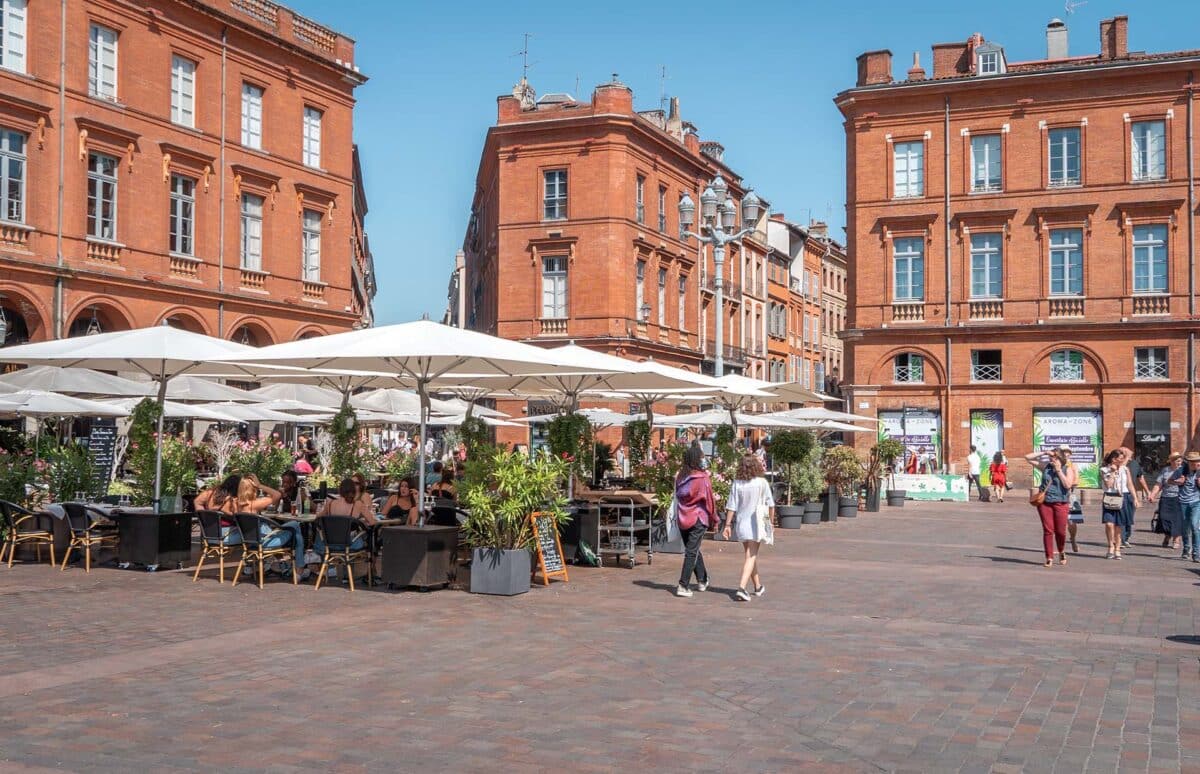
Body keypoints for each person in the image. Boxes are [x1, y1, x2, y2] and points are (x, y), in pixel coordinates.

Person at [721, 454, 774, 602]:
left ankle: (758, 586)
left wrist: (727, 524)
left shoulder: (737, 483)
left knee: (749, 556)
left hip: (741, 523)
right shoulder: (762, 482)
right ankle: (741, 588)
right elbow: (771, 504)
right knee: (751, 556)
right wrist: (770, 522)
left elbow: (731, 506)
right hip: (756, 524)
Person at [236, 474, 308, 580]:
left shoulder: (237, 504)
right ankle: (299, 570)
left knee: (294, 532)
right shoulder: (254, 504)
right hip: (264, 542)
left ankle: (295, 569)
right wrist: (260, 485)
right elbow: (277, 495)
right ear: (253, 489)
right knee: (295, 525)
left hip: (249, 542)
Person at [315, 477, 379, 583]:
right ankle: (353, 576)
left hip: (330, 544)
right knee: (358, 536)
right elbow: (372, 523)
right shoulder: (358, 505)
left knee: (345, 535)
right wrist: (360, 522)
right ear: (354, 490)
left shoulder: (330, 503)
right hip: (349, 544)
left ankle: (331, 569)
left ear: (340, 490)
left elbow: (318, 518)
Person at [674, 444, 716, 598]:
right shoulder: (702, 478)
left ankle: (702, 579)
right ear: (697, 459)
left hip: (682, 517)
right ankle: (683, 585)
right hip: (698, 517)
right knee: (691, 552)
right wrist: (715, 519)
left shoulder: (680, 477)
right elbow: (710, 501)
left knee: (693, 548)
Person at [1025, 446, 1077, 567]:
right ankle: (1049, 557)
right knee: (1048, 530)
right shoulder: (1045, 467)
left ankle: (1061, 551)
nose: (1052, 459)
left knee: (1060, 531)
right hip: (1045, 503)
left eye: (1054, 457)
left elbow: (1068, 485)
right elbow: (1027, 457)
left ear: (1060, 458)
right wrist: (1044, 452)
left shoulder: (1067, 469)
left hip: (1061, 502)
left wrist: (1058, 471)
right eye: (1051, 457)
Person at [1149, 451, 1184, 550]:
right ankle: (1167, 535)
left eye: (1180, 461)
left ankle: (1176, 539)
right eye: (1177, 461)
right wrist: (1153, 495)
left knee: (1177, 520)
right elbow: (1159, 484)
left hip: (1179, 498)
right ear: (1172, 461)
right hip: (1165, 498)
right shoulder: (1165, 470)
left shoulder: (1183, 471)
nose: (1179, 463)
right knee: (1164, 519)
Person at [1101, 449, 1131, 559]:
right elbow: (1108, 485)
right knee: (1109, 523)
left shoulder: (1124, 469)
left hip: (1122, 497)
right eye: (1121, 459)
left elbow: (1129, 484)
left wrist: (1135, 498)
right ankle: (1110, 546)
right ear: (1114, 459)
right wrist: (1113, 472)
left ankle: (1117, 548)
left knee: (1119, 525)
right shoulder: (1104, 469)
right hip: (1109, 497)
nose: (1123, 461)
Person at [1172, 451, 1200, 562]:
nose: (1196, 464)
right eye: (1193, 462)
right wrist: (1177, 482)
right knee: (1185, 528)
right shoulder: (1181, 471)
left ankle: (1196, 553)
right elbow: (1169, 481)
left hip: (1196, 502)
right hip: (1183, 502)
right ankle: (1186, 549)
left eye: (1197, 461)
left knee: (1194, 526)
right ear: (1188, 462)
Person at [1117, 447, 1138, 547]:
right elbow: (1120, 468)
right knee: (1121, 518)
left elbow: (1133, 482)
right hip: (1120, 495)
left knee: (1129, 517)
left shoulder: (1134, 464)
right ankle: (1121, 539)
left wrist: (1136, 498)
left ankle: (1126, 537)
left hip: (1130, 494)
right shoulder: (1119, 465)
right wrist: (1126, 457)